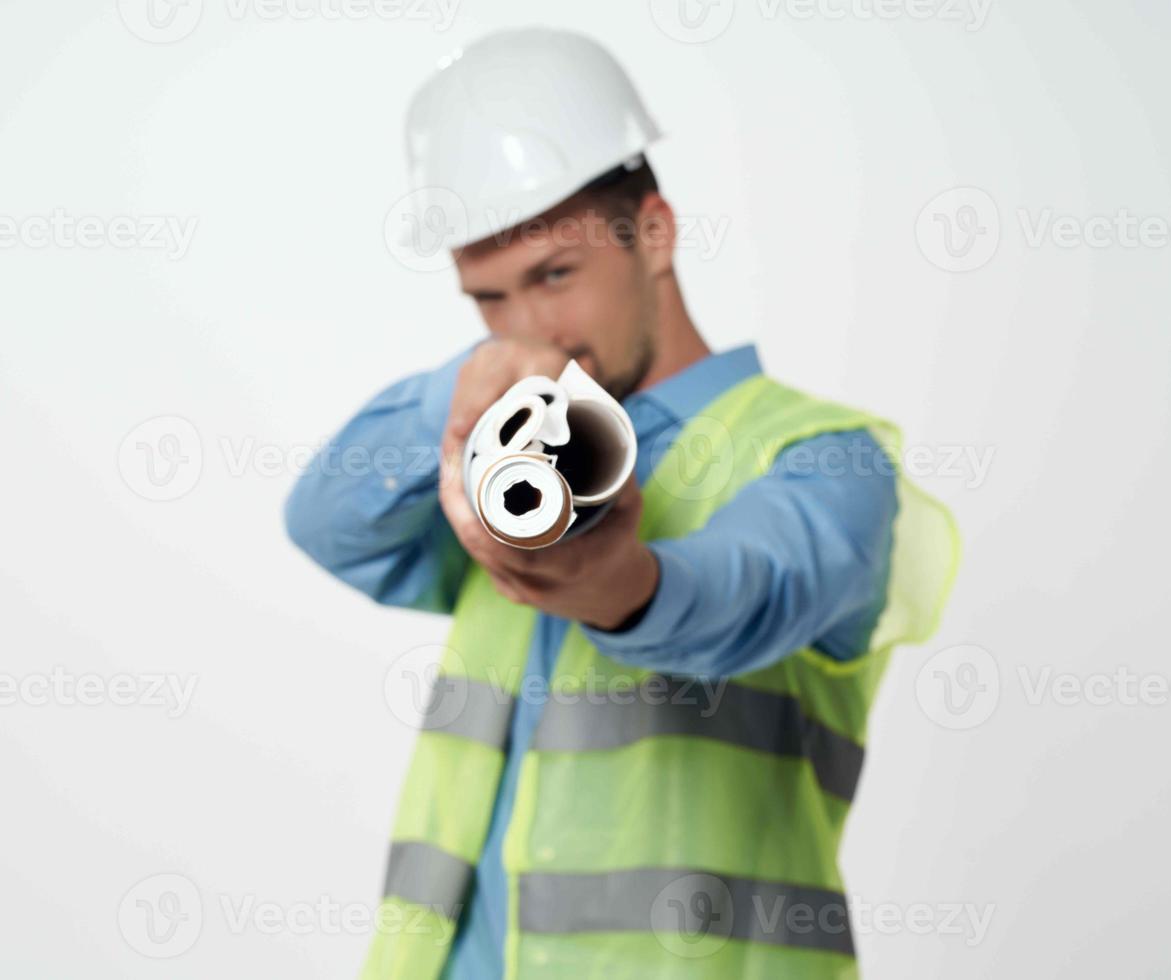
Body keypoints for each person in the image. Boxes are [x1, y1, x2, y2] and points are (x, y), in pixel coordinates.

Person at [285, 27, 959, 980]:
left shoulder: (825, 462)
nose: (533, 329)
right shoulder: (502, 452)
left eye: (555, 274)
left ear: (653, 233)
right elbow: (325, 522)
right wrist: (462, 388)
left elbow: (747, 591)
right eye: (490, 299)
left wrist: (616, 584)